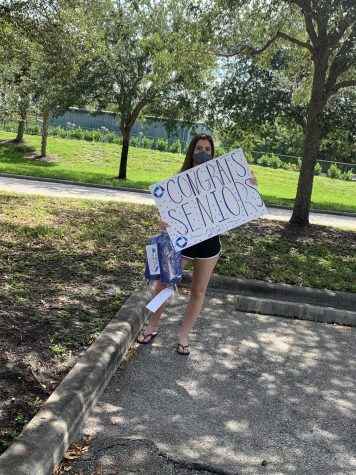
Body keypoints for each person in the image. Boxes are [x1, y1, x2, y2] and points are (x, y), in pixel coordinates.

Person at [137, 134, 257, 355]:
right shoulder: (178, 181)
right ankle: (152, 325)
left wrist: (248, 186)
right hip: (182, 243)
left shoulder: (224, 181)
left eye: (208, 149)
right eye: (199, 148)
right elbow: (166, 211)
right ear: (191, 151)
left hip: (209, 244)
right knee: (164, 284)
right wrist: (162, 221)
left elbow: (239, 202)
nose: (204, 152)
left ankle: (184, 336)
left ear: (213, 153)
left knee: (198, 291)